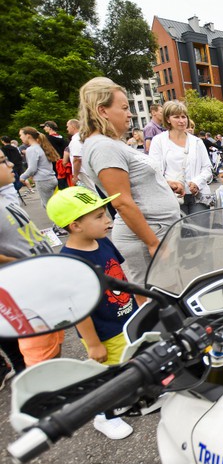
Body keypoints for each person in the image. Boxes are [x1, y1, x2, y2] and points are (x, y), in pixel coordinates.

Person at [46, 187, 136, 439]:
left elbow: (122, 276)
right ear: (75, 226)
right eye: (98, 216)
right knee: (106, 375)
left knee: (128, 363)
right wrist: (94, 344)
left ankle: (125, 396)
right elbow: (77, 308)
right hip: (104, 331)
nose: (108, 220)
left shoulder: (103, 242)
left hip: (126, 318)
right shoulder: (70, 262)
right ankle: (103, 415)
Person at [78, 77, 181, 288]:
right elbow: (121, 201)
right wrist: (153, 243)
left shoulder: (110, 143)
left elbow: (132, 181)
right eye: (124, 108)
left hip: (158, 228)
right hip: (148, 234)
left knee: (171, 291)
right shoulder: (103, 147)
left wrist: (163, 184)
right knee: (157, 297)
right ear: (102, 111)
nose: (130, 113)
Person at [0, 154, 61, 369]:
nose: (10, 165)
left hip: (40, 289)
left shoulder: (4, 198)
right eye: (2, 161)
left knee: (53, 346)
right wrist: (20, 262)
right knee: (42, 361)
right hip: (25, 298)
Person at [148, 100, 214, 217]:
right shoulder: (159, 141)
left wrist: (197, 182)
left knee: (201, 232)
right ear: (168, 119)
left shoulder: (197, 142)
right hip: (173, 197)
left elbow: (207, 168)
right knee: (180, 233)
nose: (181, 120)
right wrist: (171, 184)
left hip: (198, 196)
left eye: (184, 117)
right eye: (176, 117)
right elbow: (154, 170)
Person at [18, 127, 59, 215]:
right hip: (51, 178)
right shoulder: (41, 147)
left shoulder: (31, 149)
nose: (20, 137)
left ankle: (58, 226)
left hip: (43, 180)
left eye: (21, 135)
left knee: (48, 205)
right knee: (53, 203)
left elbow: (32, 168)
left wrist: (22, 177)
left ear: (28, 136)